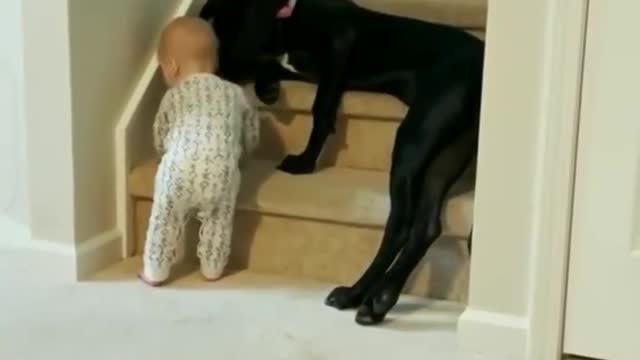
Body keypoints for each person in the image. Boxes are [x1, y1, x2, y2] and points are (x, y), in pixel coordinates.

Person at [139, 16, 260, 286]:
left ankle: (154, 270)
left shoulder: (174, 96)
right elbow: (251, 133)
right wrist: (245, 154)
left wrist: (163, 153)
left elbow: (161, 133)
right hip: (221, 175)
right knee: (219, 220)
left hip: (177, 172)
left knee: (164, 219)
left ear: (170, 66)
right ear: (214, 62)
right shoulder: (236, 93)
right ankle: (213, 267)